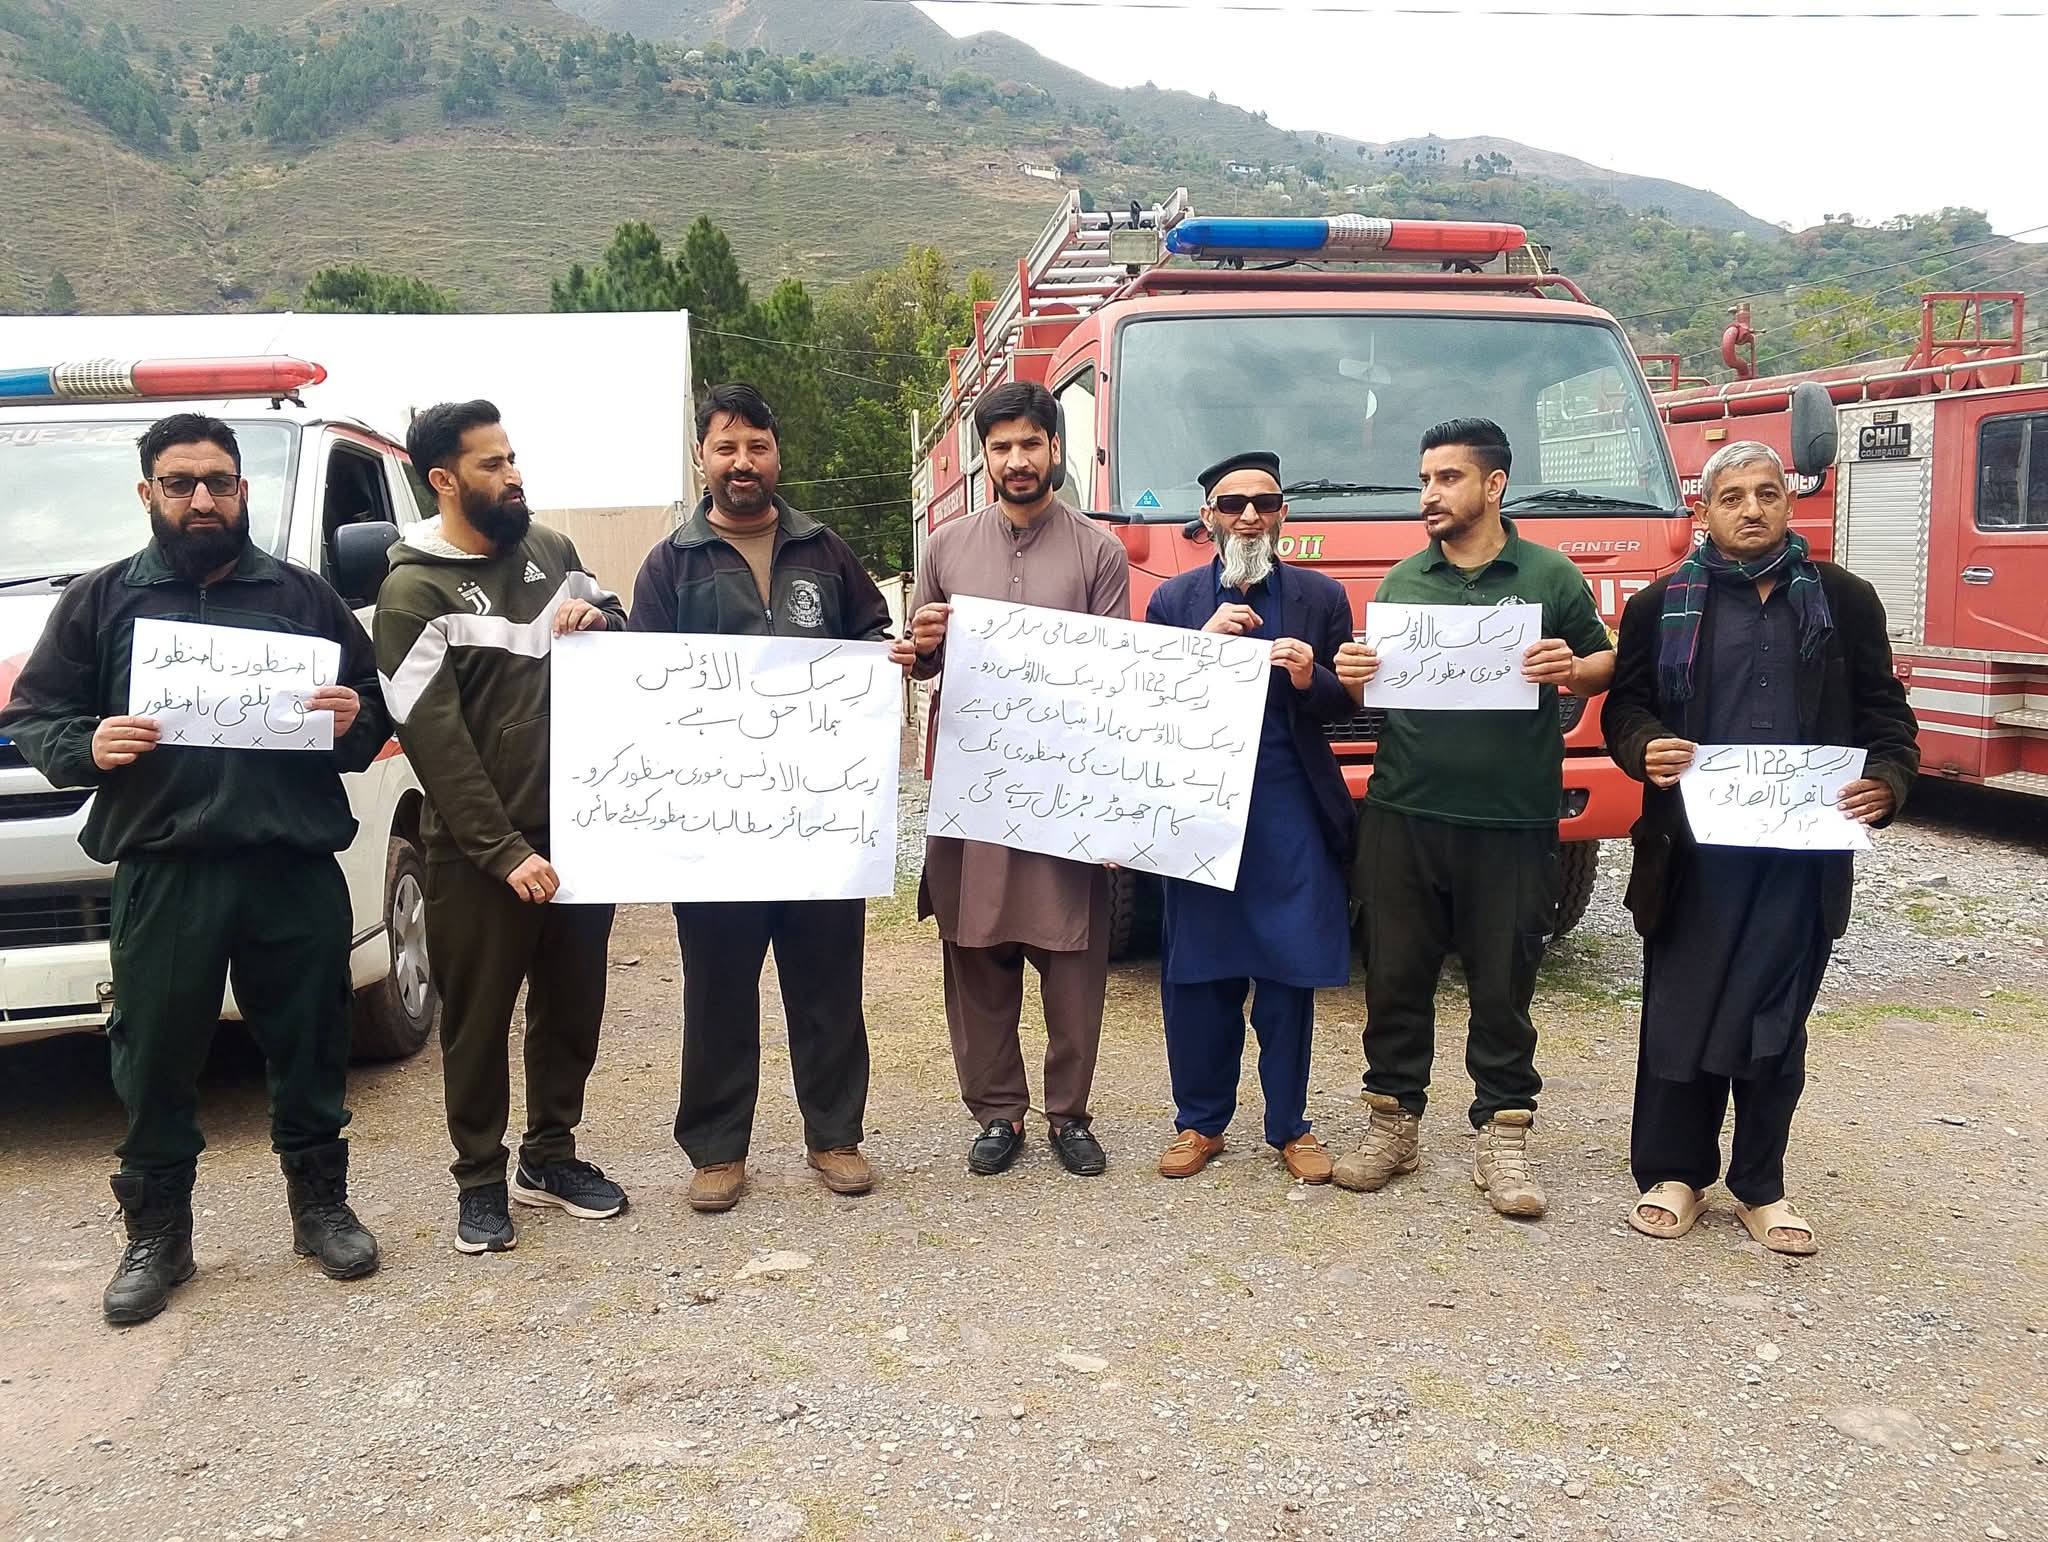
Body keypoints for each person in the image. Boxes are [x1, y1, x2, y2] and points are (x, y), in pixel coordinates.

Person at [0, 413, 386, 1324]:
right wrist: (87, 743)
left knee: (309, 1040)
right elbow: (38, 717)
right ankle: (158, 1235)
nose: (202, 498)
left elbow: (372, 712)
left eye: (218, 481)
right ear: (149, 495)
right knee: (156, 1052)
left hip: (289, 863)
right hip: (166, 869)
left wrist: (348, 721)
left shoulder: (300, 600)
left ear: (244, 490)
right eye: (181, 484)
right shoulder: (101, 602)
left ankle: (320, 1206)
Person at [1605, 440, 1917, 1255]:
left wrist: (1887, 781)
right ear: (1702, 513)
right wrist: (1647, 749)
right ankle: (1675, 1173)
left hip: (1801, 860)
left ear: (1790, 503)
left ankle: (1759, 1185)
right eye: (1732, 496)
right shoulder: (1660, 604)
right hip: (1693, 859)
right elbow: (1626, 709)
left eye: (1767, 494)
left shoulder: (1845, 603)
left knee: (1775, 1021)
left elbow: (1888, 718)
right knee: (1681, 1014)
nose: (1752, 510)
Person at [1332, 418, 1615, 1218]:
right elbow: (1366, 694)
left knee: (1504, 982)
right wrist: (1353, 675)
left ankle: (1503, 1130)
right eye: (1425, 479)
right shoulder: (1401, 586)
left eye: (1448, 478)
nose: (1430, 495)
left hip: (1512, 819)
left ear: (1494, 486)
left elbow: (1601, 664)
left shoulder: (1551, 576)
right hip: (1403, 811)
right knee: (1394, 978)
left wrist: (1574, 667)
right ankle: (1394, 1124)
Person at [630, 384, 892, 1214]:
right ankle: (715, 1149)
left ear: (778, 454)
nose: (743, 463)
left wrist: (893, 660)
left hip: (819, 823)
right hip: (717, 829)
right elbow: (638, 681)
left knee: (828, 984)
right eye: (725, 447)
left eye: (758, 446)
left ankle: (835, 1135)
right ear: (702, 458)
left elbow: (873, 638)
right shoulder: (670, 564)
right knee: (717, 989)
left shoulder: (826, 551)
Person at [375, 399, 628, 1255]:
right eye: (491, 464)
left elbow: (620, 627)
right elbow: (434, 742)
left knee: (572, 1009)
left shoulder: (552, 553)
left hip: (582, 837)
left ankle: (550, 1156)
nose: (513, 475)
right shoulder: (411, 592)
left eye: (513, 457)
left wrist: (605, 619)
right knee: (478, 1020)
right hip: (482, 856)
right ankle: (480, 1178)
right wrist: (504, 850)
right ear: (444, 480)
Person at [893, 380, 1130, 1178]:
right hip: (974, 785)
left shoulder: (1099, 552)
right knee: (975, 951)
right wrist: (920, 642)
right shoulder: (946, 549)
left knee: (1074, 957)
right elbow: (921, 661)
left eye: (1031, 443)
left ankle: (1069, 1116)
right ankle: (998, 1113)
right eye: (1001, 448)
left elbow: (1116, 676)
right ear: (983, 458)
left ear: (1056, 448)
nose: (1017, 460)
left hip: (1066, 787)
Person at [1141, 452, 1355, 1184]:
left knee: (1289, 968)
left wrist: (1307, 675)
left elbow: (1347, 704)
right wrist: (1200, 650)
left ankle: (1289, 1125)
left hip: (1289, 800)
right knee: (1197, 967)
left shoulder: (1323, 598)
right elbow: (1146, 709)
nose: (1249, 517)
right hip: (1200, 807)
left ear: (1284, 516)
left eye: (1264, 504)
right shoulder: (1172, 602)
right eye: (1232, 505)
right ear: (1208, 519)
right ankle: (1199, 1122)